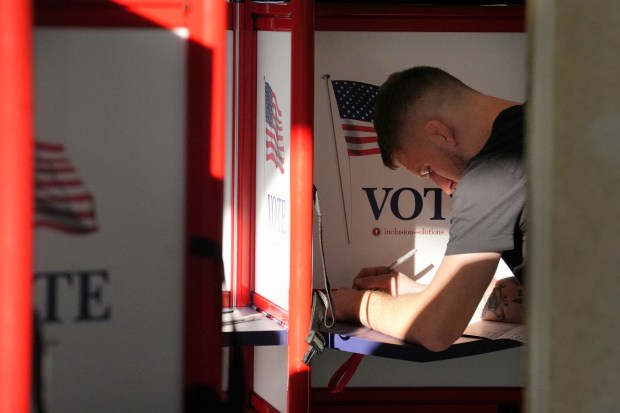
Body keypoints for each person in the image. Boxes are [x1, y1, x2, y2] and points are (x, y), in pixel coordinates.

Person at [332, 66, 526, 352]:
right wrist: (424, 295)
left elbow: (434, 331)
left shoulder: (491, 173)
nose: (445, 187)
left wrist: (346, 303)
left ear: (439, 133)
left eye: (428, 170)